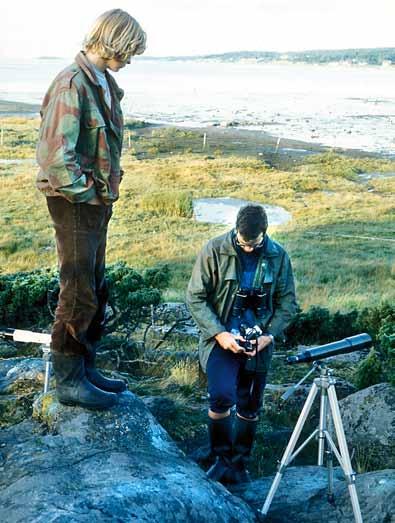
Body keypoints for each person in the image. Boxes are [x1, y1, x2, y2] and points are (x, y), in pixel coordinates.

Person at [36, 9, 146, 409]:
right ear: (115, 41)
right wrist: (87, 193)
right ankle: (67, 380)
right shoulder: (72, 83)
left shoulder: (102, 81)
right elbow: (54, 157)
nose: (132, 59)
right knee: (78, 288)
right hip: (74, 202)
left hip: (95, 202)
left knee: (95, 285)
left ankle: (85, 367)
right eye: (130, 49)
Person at [186, 204, 297, 484]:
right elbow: (195, 297)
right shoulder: (214, 249)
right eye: (243, 243)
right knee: (221, 396)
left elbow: (288, 304)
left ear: (264, 234)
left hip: (259, 342)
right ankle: (220, 457)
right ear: (236, 229)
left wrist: (267, 336)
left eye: (254, 244)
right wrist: (220, 334)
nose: (248, 248)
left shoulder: (278, 256)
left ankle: (239, 464)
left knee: (250, 405)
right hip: (220, 339)